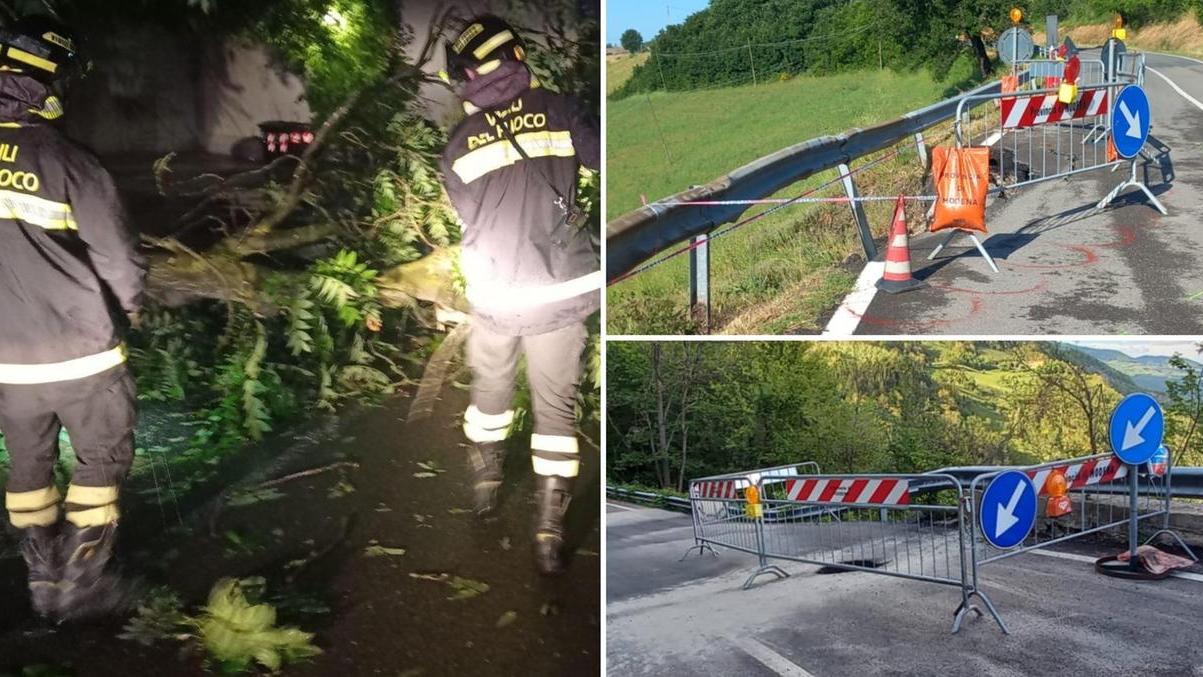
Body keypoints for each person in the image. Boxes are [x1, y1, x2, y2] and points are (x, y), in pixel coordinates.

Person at [439, 14, 599, 576]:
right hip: (562, 292)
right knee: (555, 410)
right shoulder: (559, 109)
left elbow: (466, 215)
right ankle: (549, 534)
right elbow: (606, 161)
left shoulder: (458, 144)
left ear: (464, 77)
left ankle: (485, 485)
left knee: (490, 396)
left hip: (497, 298)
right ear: (517, 59)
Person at [0, 15, 145, 620]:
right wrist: (133, 310)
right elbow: (119, 255)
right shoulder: (68, 160)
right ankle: (81, 577)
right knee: (101, 460)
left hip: (6, 365)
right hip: (82, 354)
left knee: (29, 467)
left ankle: (41, 578)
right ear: (54, 81)